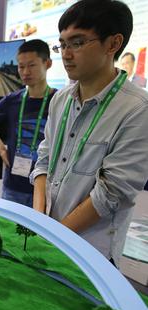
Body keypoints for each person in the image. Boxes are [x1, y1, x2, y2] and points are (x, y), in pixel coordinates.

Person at [31, 0, 148, 266]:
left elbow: (112, 193)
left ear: (113, 44)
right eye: (62, 44)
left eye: (78, 43)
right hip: (47, 240)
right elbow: (43, 162)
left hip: (91, 253)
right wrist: (39, 222)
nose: (66, 54)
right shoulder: (60, 100)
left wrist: (53, 235)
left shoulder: (137, 109)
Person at [0, 39, 56, 207]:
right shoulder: (12, 100)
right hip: (14, 186)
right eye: (21, 66)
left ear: (47, 63)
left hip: (47, 187)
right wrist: (1, 149)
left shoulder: (60, 101)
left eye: (32, 65)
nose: (25, 72)